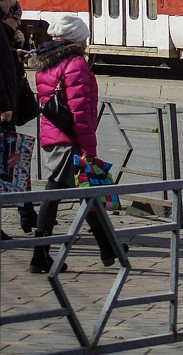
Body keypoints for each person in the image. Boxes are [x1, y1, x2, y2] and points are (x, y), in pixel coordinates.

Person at [29, 14, 120, 273]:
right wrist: (89, 149)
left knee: (86, 191)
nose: (87, 42)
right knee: (57, 191)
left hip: (53, 135)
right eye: (85, 38)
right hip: (70, 139)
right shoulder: (75, 64)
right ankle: (40, 254)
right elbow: (80, 111)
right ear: (77, 39)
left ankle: (107, 248)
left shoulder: (47, 61)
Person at [1, 0, 38, 239]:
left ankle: (28, 212)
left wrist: (15, 50)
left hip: (6, 110)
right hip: (2, 111)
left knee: (11, 161)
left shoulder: (4, 32)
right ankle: (28, 212)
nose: (14, 3)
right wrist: (4, 105)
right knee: (8, 162)